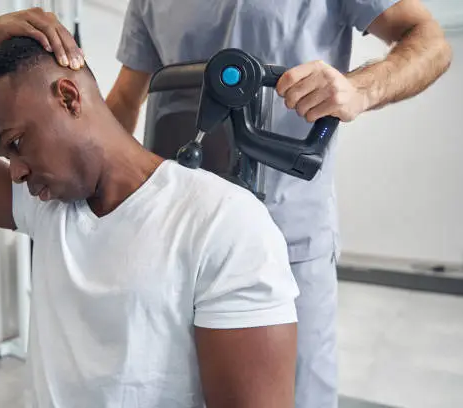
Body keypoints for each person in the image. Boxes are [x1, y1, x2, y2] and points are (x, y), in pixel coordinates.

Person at [0, 8, 302, 408]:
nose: (15, 172)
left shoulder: (224, 222)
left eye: (15, 144)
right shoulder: (46, 207)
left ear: (68, 98)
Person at [103, 0, 453, 407]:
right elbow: (126, 99)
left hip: (289, 241)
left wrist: (359, 89)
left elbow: (430, 41)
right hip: (181, 240)